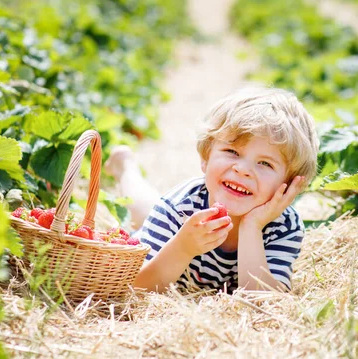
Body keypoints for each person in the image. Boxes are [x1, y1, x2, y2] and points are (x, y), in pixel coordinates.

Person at [108, 86, 319, 293]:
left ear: (290, 184)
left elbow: (263, 301)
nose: (243, 169)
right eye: (232, 151)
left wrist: (251, 227)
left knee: (147, 209)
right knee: (143, 210)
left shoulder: (284, 226)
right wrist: (183, 247)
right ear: (206, 158)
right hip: (171, 226)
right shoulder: (178, 208)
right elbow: (136, 286)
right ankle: (125, 167)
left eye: (265, 163)